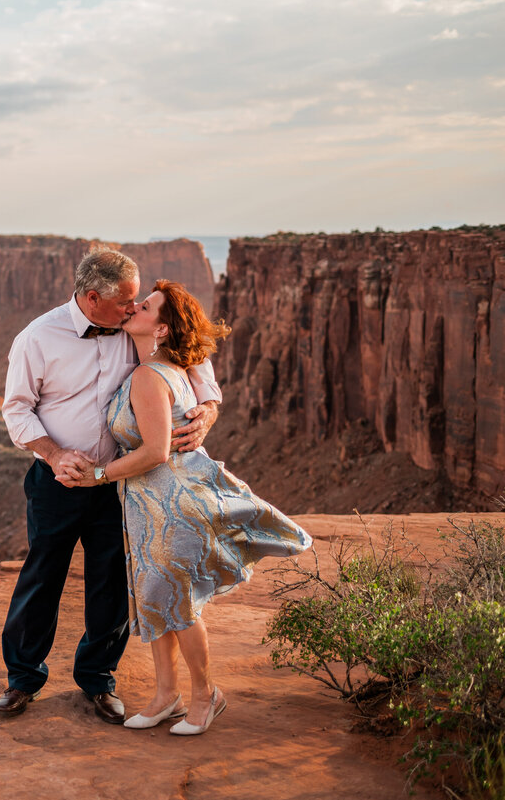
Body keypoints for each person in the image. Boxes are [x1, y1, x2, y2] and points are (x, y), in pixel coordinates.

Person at [59, 280, 312, 735]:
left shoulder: (148, 376)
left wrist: (95, 476)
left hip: (171, 504)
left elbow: (155, 452)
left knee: (179, 604)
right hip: (148, 506)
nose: (135, 307)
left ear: (161, 329)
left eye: (147, 306)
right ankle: (164, 696)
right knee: (157, 599)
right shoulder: (166, 366)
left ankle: (205, 695)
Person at [0, 249, 223, 723]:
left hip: (121, 481)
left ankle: (98, 680)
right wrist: (56, 454)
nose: (133, 309)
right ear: (93, 297)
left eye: (139, 302)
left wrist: (208, 411)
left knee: (111, 583)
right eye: (127, 301)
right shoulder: (38, 337)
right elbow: (17, 409)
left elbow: (193, 362)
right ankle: (22, 680)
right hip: (57, 482)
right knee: (42, 576)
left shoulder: (135, 329)